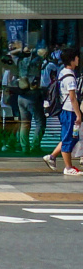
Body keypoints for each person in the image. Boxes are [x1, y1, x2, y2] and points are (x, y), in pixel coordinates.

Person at [54, 48, 81, 176]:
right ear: (72, 59)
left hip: (66, 110)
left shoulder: (63, 72)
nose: (78, 60)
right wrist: (78, 114)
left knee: (72, 137)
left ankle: (54, 157)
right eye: (76, 57)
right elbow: (72, 97)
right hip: (69, 110)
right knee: (68, 138)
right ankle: (68, 167)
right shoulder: (70, 77)